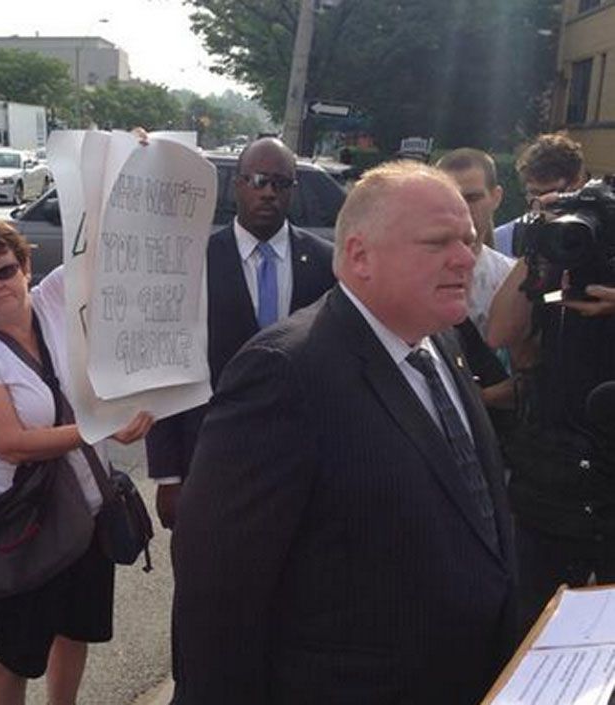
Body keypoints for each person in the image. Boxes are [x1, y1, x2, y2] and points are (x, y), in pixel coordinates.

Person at [173, 161, 517, 704]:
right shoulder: (284, 374)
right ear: (359, 256)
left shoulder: (442, 341)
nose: (465, 258)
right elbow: (219, 593)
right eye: (438, 242)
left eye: (469, 240)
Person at [0, 220, 153, 705]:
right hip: (24, 526)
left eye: (3, 270)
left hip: (88, 515)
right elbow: (7, 442)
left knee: (75, 630)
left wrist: (128, 168)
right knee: (15, 655)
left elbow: (109, 242)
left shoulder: (54, 299)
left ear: (26, 267)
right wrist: (100, 427)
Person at [145, 136, 335, 530]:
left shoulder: (323, 262)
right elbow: (167, 366)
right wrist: (168, 476)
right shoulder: (192, 262)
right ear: (237, 184)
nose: (268, 192)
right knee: (206, 581)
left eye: (280, 183)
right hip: (210, 456)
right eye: (258, 180)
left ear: (292, 190)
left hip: (300, 461)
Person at [488, 184, 615, 634]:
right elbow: (500, 331)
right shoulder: (557, 274)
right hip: (553, 487)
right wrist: (541, 246)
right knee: (531, 636)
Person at [436, 148, 517, 416]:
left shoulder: (511, 276)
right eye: (450, 196)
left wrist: (483, 397)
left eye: (472, 197)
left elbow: (530, 373)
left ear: (496, 197)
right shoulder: (409, 274)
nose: (461, 207)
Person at [493, 133, 587, 256]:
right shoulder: (503, 239)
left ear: (577, 185)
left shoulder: (599, 238)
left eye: (552, 193)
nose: (542, 202)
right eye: (534, 193)